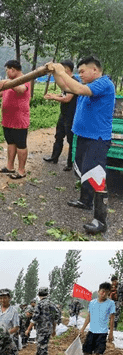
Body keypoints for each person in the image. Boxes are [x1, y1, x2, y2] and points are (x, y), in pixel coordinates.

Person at [48, 57, 116, 234]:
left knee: (96, 175)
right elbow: (66, 87)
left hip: (97, 138)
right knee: (83, 171)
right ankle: (85, 201)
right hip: (84, 136)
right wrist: (56, 73)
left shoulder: (103, 83)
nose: (80, 74)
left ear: (95, 70)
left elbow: (78, 88)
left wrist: (61, 70)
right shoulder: (88, 85)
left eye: (82, 71)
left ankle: (100, 220)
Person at [0, 60, 31, 179]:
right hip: (8, 119)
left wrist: (8, 82)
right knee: (11, 143)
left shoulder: (25, 78)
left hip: (19, 119)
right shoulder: (10, 82)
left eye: (7, 70)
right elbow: (0, 94)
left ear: (12, 69)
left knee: (21, 145)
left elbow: (21, 89)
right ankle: (10, 167)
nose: (7, 73)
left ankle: (21, 170)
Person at [43, 60, 78, 171]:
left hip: (71, 115)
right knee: (58, 136)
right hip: (63, 114)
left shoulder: (74, 82)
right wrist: (55, 95)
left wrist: (53, 98)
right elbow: (64, 94)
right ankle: (54, 158)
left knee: (70, 140)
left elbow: (67, 98)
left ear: (66, 69)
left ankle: (70, 163)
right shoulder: (66, 82)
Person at [79, 282, 116, 355]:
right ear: (99, 291)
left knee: (97, 353)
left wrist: (111, 333)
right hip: (92, 331)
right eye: (102, 291)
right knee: (85, 351)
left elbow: (112, 319)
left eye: (106, 293)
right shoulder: (92, 303)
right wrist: (82, 328)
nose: (103, 294)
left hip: (102, 332)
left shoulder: (111, 303)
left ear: (108, 293)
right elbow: (88, 317)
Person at [25, 287, 61, 355]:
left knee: (43, 348)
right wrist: (53, 330)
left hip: (42, 329)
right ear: (47, 294)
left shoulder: (39, 304)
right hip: (48, 329)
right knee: (40, 345)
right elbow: (55, 318)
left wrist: (28, 329)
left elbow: (34, 318)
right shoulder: (52, 304)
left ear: (38, 295)